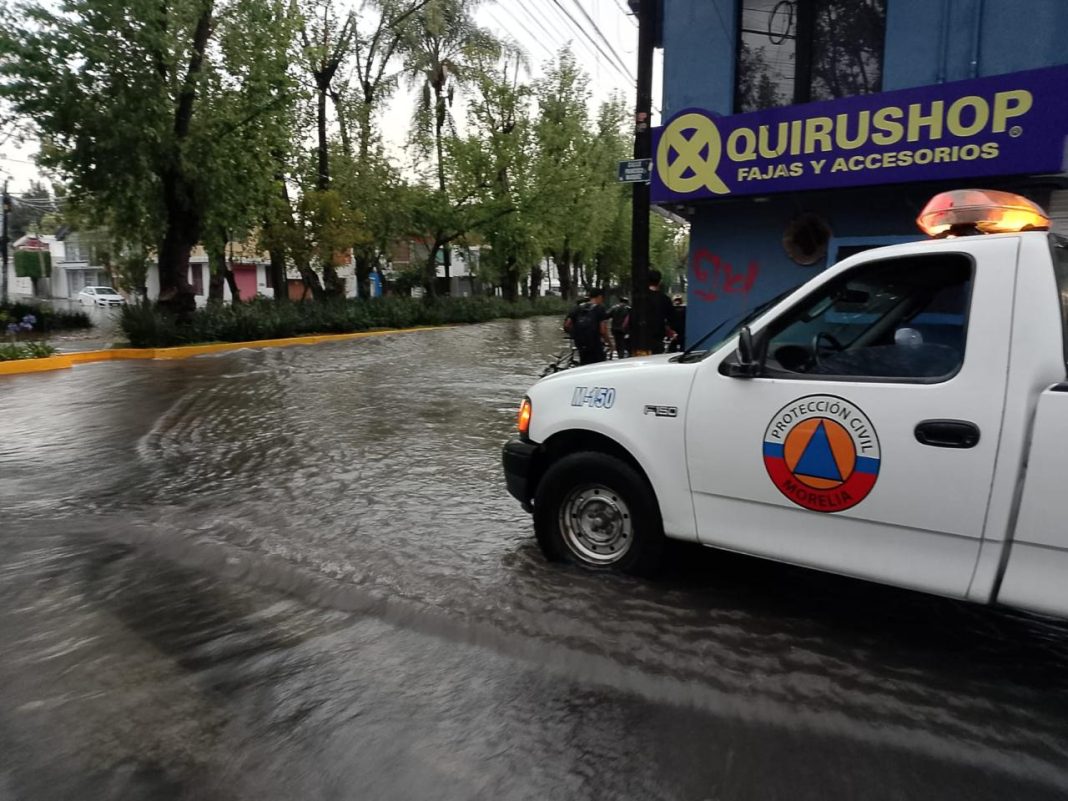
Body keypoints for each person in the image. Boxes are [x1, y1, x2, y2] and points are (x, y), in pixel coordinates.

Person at [564, 288, 611, 365]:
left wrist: (575, 334)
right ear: (599, 296)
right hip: (595, 344)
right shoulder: (600, 309)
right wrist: (609, 343)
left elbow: (567, 325)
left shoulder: (577, 308)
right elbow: (603, 331)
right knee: (599, 365)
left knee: (584, 364)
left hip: (580, 343)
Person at [637, 269, 678, 355]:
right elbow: (672, 319)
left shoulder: (640, 298)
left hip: (640, 338)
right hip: (657, 338)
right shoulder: (665, 299)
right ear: (659, 281)